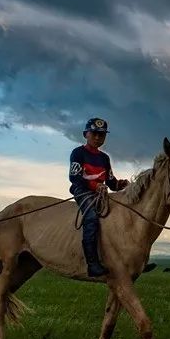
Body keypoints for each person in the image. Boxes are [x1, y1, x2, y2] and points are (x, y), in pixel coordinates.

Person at [69, 117, 130, 277]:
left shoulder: (104, 158)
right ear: (85, 134)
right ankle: (92, 264)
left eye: (101, 135)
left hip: (101, 193)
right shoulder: (78, 153)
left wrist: (121, 184)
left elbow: (110, 182)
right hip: (82, 191)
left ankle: (129, 259)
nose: (97, 137)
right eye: (94, 133)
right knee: (91, 218)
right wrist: (95, 185)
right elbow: (74, 177)